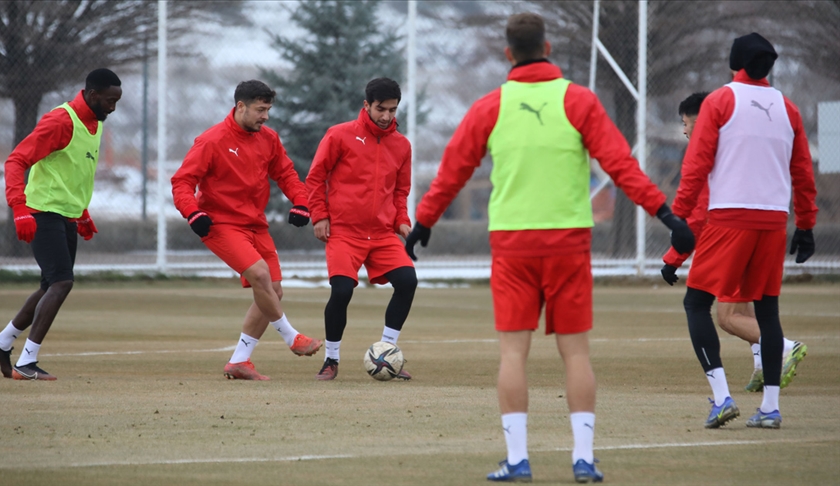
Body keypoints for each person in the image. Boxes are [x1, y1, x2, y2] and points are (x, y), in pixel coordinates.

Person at [405, 13, 693, 483]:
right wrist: (666, 215)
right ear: (548, 47)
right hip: (568, 243)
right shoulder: (578, 100)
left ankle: (518, 460)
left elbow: (452, 171)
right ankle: (584, 459)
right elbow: (620, 165)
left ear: (508, 53)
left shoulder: (489, 106)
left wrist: (423, 222)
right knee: (576, 354)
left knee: (512, 355)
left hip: (512, 243)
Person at [671, 33, 817, 430]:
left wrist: (678, 219)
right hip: (773, 222)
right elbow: (803, 171)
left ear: (735, 62)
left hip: (728, 218)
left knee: (696, 304)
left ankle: (722, 398)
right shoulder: (788, 108)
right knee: (767, 312)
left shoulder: (720, 100)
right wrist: (805, 224)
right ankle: (770, 408)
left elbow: (697, 165)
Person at [171, 80, 323, 381]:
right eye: (260, 110)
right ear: (240, 107)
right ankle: (292, 337)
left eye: (268, 110)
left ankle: (239, 361)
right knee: (260, 275)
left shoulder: (269, 138)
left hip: (255, 224)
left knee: (273, 291)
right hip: (220, 224)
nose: (265, 116)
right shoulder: (211, 140)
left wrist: (301, 202)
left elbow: (287, 174)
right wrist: (193, 212)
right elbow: (182, 182)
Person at [662, 92, 807, 394]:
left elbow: (699, 213)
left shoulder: (707, 148)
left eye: (686, 123)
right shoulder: (741, 141)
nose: (684, 130)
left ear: (700, 119)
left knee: (726, 317)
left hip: (729, 238)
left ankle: (784, 347)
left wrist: (674, 256)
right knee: (749, 310)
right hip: (765, 228)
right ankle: (762, 365)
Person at [0, 69, 122, 380]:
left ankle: (2, 342)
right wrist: (19, 208)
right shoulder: (61, 120)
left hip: (66, 214)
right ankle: (26, 362)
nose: (113, 107)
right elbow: (16, 160)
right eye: (109, 101)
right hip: (42, 211)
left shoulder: (95, 123)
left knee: (50, 285)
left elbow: (73, 173)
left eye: (117, 101)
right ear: (92, 94)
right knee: (62, 283)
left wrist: (82, 212)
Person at [305, 78, 416, 381]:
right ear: (366, 105)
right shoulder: (339, 135)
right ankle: (331, 360)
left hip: (382, 234)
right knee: (342, 291)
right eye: (381, 109)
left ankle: (387, 353)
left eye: (392, 110)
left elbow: (400, 191)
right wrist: (319, 216)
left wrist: (402, 221)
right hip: (344, 232)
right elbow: (315, 178)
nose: (386, 116)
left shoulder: (402, 145)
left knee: (408, 281)